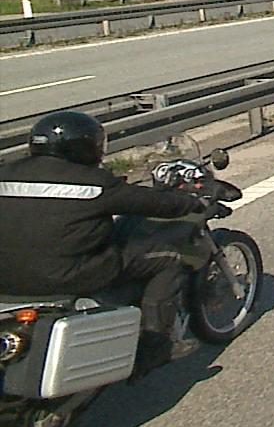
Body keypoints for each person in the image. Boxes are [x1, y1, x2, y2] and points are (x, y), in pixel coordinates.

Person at [0, 111, 217, 378]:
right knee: (170, 258)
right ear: (84, 146)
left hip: (5, 280)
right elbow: (154, 203)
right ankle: (156, 345)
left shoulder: (5, 173)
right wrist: (194, 202)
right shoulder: (93, 181)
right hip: (67, 276)